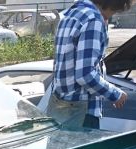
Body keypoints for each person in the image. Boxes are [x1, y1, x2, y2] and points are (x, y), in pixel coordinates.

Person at [41, 0, 131, 129]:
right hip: (81, 112)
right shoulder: (93, 20)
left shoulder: (68, 15)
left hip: (59, 107)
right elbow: (85, 75)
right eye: (114, 10)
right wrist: (115, 94)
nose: (110, 16)